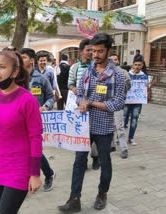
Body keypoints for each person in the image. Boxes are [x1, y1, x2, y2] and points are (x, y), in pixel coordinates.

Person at [58, 33, 125, 213]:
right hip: (84, 125)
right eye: (93, 51)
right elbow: (79, 93)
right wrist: (81, 101)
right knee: (79, 161)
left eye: (100, 51)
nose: (95, 55)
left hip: (103, 128)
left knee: (104, 161)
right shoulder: (88, 71)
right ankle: (74, 199)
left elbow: (118, 103)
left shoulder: (117, 75)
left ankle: (102, 193)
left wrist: (92, 103)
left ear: (108, 51)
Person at [0, 49, 42, 214]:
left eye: (2, 67)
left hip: (19, 167)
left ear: (15, 71)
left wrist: (35, 174)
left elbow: (35, 137)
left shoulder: (27, 100)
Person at [20, 48, 56, 192]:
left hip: (35, 122)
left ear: (31, 60)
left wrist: (45, 106)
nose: (20, 60)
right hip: (19, 121)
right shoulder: (16, 78)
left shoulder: (41, 78)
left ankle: (49, 174)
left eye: (23, 57)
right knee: (25, 150)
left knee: (34, 150)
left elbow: (51, 97)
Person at [67, 39, 100, 170]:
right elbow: (70, 83)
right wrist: (73, 88)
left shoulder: (97, 67)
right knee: (81, 134)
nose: (91, 53)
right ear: (81, 52)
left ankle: (96, 158)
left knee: (95, 134)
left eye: (93, 50)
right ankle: (81, 161)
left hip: (95, 106)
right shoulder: (74, 68)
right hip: (80, 107)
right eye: (88, 50)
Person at [110, 54, 131, 158]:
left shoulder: (123, 72)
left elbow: (128, 85)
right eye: (112, 59)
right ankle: (111, 145)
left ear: (118, 61)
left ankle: (124, 149)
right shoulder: (105, 73)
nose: (114, 61)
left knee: (119, 126)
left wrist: (122, 94)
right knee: (110, 126)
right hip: (107, 104)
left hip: (118, 104)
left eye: (116, 59)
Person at [124, 59, 148, 146]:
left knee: (134, 120)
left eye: (139, 65)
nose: (137, 66)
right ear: (132, 65)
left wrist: (147, 87)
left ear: (142, 66)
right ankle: (120, 138)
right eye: (135, 64)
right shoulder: (127, 75)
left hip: (137, 102)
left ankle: (131, 138)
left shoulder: (144, 77)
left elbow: (145, 91)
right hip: (127, 101)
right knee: (123, 120)